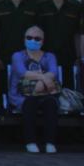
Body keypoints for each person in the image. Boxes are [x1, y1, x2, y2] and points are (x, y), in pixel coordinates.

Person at [9, 25, 60, 154]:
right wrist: (43, 78)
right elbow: (22, 72)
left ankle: (50, 142)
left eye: (37, 38)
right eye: (29, 37)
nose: (33, 40)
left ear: (43, 41)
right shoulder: (18, 56)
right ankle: (30, 141)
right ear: (24, 39)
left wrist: (41, 84)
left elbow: (54, 71)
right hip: (22, 95)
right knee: (30, 103)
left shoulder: (50, 56)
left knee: (51, 103)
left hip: (45, 93)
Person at [0, 0, 39, 95]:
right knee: (3, 87)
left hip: (27, 55)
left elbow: (38, 33)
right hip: (5, 53)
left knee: (26, 88)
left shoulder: (33, 5)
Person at [34, 0, 84, 89]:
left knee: (68, 86)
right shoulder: (40, 6)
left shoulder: (75, 6)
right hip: (46, 53)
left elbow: (77, 34)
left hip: (68, 53)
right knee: (47, 86)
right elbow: (35, 32)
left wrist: (79, 56)